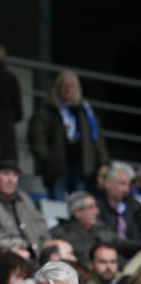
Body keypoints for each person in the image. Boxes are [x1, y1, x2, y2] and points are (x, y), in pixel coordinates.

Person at [29, 70, 109, 200]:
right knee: (57, 205)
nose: (68, 89)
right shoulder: (48, 109)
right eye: (64, 85)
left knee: (80, 204)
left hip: (82, 167)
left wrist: (103, 162)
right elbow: (37, 137)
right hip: (57, 167)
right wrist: (48, 159)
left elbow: (97, 138)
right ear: (57, 88)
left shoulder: (86, 111)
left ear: (77, 89)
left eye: (72, 86)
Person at [0, 160, 50, 253]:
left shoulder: (23, 197)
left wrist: (46, 246)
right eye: (6, 174)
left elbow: (40, 223)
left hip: (36, 254)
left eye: (15, 175)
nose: (11, 179)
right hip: (5, 255)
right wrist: (17, 246)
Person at [49, 191, 116, 266]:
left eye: (96, 206)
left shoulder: (102, 227)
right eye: (91, 207)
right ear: (77, 213)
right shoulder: (59, 234)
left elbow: (121, 244)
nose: (96, 211)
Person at [95, 161, 141, 259]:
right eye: (122, 184)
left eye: (128, 185)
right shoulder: (95, 207)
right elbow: (108, 239)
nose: (126, 189)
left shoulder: (133, 206)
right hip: (109, 257)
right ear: (107, 183)